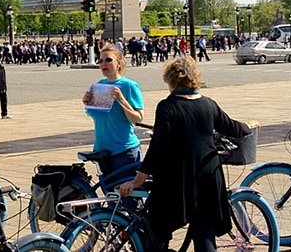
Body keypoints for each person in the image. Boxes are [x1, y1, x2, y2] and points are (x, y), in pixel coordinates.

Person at [118, 56, 257, 251]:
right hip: (208, 176)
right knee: (204, 233)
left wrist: (138, 180)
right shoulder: (208, 104)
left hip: (176, 179)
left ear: (171, 80)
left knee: (158, 228)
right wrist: (249, 125)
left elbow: (157, 149)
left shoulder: (167, 106)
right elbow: (233, 127)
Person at [82, 44, 145, 178]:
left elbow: (138, 118)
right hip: (102, 150)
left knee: (128, 196)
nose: (103, 64)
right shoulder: (99, 85)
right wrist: (87, 103)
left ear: (119, 63)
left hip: (124, 150)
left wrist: (122, 100)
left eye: (108, 60)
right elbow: (96, 116)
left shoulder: (129, 86)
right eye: (100, 60)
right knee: (111, 196)